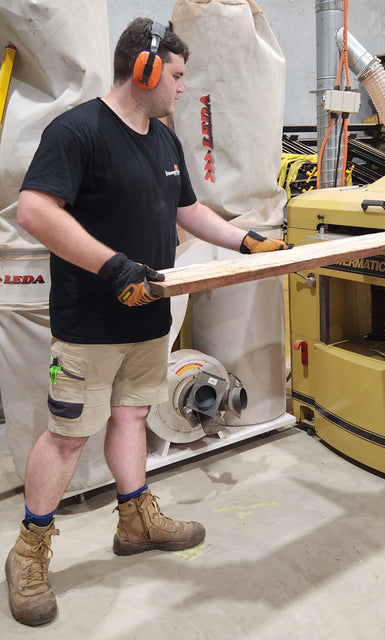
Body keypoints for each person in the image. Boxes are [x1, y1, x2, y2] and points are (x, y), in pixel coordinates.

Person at [5, 17, 291, 627]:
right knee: (68, 435)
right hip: (89, 322)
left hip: (150, 315)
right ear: (145, 69)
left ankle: (134, 520)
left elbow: (188, 210)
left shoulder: (163, 140)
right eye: (178, 75)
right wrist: (112, 267)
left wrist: (245, 240)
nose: (183, 87)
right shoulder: (77, 130)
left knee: (133, 416)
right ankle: (27, 551)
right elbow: (34, 211)